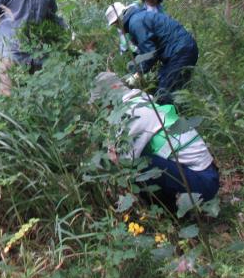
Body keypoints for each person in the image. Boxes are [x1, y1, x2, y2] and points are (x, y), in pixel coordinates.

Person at [91, 72, 219, 213]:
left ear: (114, 88)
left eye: (104, 103)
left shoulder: (132, 112)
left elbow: (123, 161)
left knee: (140, 165)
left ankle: (166, 213)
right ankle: (170, 209)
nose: (106, 109)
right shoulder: (143, 101)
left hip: (203, 182)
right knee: (143, 157)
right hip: (207, 174)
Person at [105, 1, 198, 104]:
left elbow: (149, 53)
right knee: (179, 90)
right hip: (184, 48)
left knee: (164, 91)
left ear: (119, 19)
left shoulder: (135, 23)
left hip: (179, 51)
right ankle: (185, 111)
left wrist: (138, 73)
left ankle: (168, 118)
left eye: (116, 24)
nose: (117, 27)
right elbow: (146, 48)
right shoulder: (138, 17)